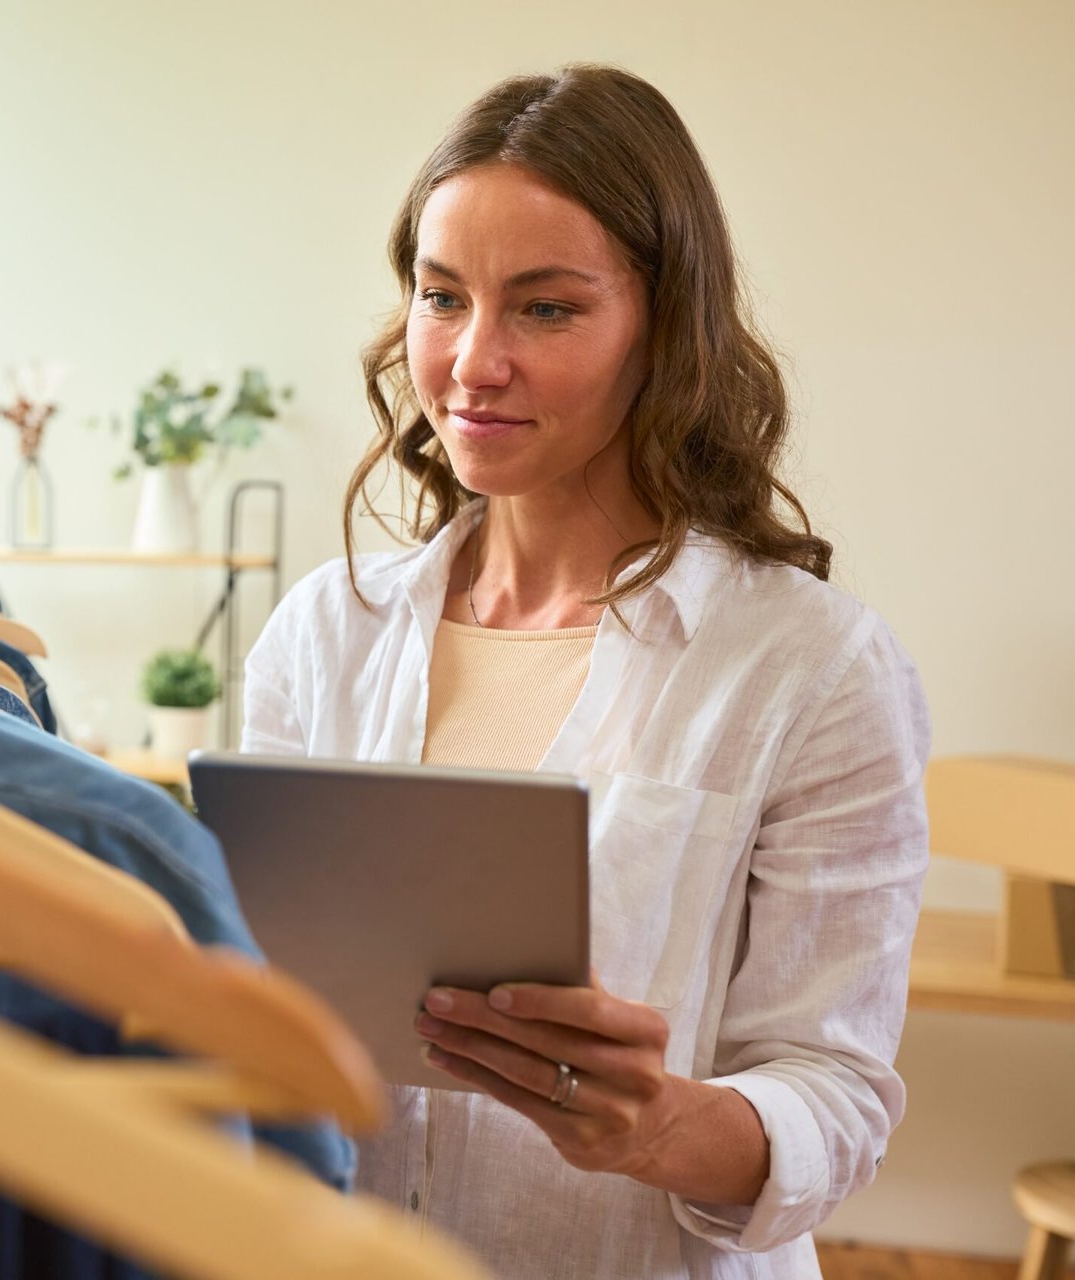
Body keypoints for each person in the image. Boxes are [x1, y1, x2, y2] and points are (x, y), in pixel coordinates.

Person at [241, 64, 929, 1278]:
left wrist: (662, 1123)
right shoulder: (323, 632)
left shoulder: (811, 666)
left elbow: (836, 1095)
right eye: (441, 296)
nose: (471, 363)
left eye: (546, 309)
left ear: (664, 329)